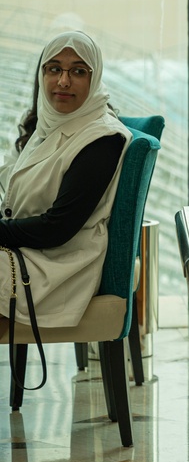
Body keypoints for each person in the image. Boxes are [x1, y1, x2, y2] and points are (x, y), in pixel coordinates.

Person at [0, 31, 131, 331]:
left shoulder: (100, 139)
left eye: (78, 71)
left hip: (59, 269)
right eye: (54, 68)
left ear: (94, 78)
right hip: (29, 254)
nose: (63, 81)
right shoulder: (44, 125)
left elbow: (57, 229)